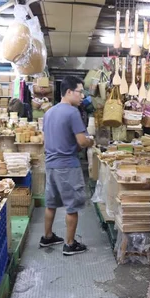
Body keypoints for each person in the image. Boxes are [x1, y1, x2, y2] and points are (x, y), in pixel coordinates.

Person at [39, 76, 94, 256]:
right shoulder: (72, 112)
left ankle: (47, 236)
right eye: (79, 92)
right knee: (72, 206)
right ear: (69, 92)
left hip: (51, 164)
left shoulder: (49, 112)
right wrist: (90, 141)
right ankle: (70, 244)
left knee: (51, 203)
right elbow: (82, 141)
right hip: (67, 165)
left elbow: (46, 140)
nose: (82, 96)